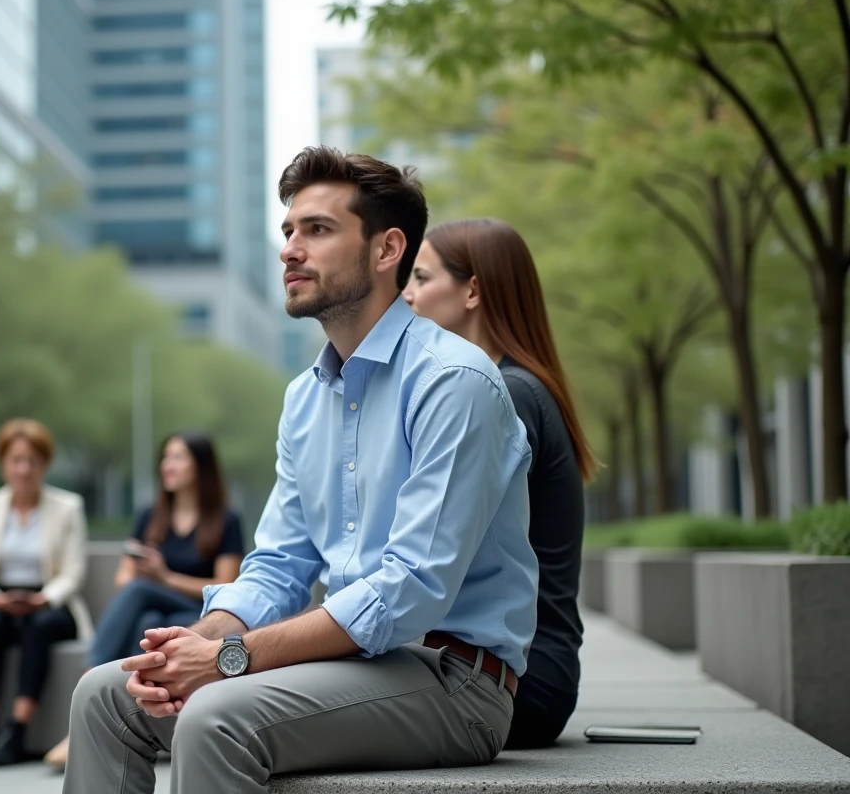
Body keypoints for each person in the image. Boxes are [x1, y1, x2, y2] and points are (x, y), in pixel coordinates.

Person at [62, 146, 539, 794]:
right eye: (288, 230)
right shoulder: (305, 399)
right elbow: (279, 566)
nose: (289, 249)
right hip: (353, 667)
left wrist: (229, 659)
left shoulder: (454, 381)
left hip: (453, 680)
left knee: (214, 717)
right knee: (104, 694)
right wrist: (190, 648)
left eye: (317, 229)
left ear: (386, 249)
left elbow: (408, 590)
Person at [402, 217, 598, 748]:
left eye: (422, 278)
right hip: (523, 668)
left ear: (472, 291)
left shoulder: (506, 394)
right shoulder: (512, 386)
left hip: (516, 682)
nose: (408, 294)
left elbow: (434, 547)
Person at [43, 430, 244, 770]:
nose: (167, 465)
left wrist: (165, 577)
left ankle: (87, 695)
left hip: (201, 615)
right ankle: (130, 726)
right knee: (146, 621)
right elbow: (123, 579)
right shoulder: (151, 516)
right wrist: (145, 572)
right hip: (157, 610)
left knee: (140, 595)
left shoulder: (226, 519)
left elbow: (226, 585)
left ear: (201, 466)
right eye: (165, 457)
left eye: (178, 457)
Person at [0, 418, 93, 766]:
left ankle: (17, 730)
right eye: (16, 460)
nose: (24, 469)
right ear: (3, 464)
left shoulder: (68, 507)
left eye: (32, 461)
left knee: (39, 626)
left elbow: (73, 573)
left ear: (44, 464)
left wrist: (44, 599)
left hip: (49, 601)